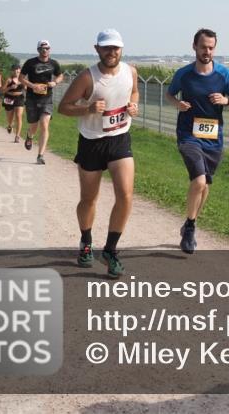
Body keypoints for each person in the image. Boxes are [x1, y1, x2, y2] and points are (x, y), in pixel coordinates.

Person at [58, 30, 139, 279]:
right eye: (106, 48)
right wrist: (87, 108)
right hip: (91, 142)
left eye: (115, 48)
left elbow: (133, 91)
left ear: (122, 49)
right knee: (88, 199)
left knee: (125, 195)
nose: (111, 52)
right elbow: (64, 107)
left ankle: (111, 251)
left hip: (119, 139)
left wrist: (133, 105)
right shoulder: (87, 77)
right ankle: (85, 241)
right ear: (97, 49)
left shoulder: (130, 71)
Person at [164, 28, 229, 254]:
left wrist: (227, 101)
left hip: (213, 138)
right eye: (203, 47)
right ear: (194, 47)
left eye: (211, 47)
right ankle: (190, 228)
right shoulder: (184, 74)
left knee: (205, 185)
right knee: (198, 181)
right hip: (188, 134)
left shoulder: (224, 75)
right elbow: (170, 94)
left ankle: (191, 222)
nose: (207, 51)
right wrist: (177, 104)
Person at [20, 40, 64, 165]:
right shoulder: (30, 63)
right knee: (34, 125)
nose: (45, 50)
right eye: (42, 48)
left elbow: (60, 76)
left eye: (47, 48)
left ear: (50, 49)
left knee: (44, 124)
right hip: (32, 98)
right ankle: (29, 135)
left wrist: (55, 82)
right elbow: (21, 78)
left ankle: (40, 155)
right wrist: (32, 86)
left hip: (47, 98)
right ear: (38, 50)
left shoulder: (54, 63)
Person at [2, 63, 26, 142]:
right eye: (15, 70)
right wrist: (10, 87)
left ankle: (17, 136)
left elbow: (27, 88)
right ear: (12, 71)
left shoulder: (23, 79)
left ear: (20, 71)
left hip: (19, 98)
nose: (16, 71)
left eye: (18, 70)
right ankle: (10, 125)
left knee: (19, 116)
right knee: (10, 118)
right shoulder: (9, 79)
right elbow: (3, 90)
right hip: (9, 98)